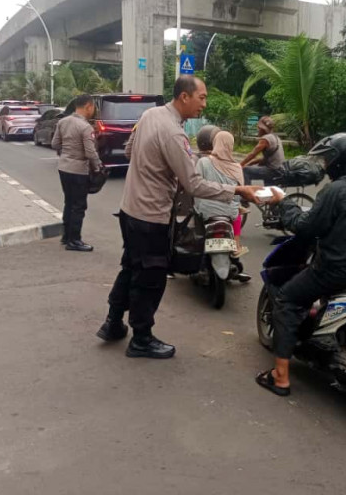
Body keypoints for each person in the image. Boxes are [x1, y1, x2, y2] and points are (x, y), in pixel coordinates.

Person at [96, 75, 262, 359]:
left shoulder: (149, 115)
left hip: (130, 209)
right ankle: (141, 338)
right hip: (151, 216)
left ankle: (113, 323)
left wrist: (151, 168)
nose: (204, 104)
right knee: (150, 277)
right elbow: (194, 184)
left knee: (130, 266)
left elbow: (128, 150)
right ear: (184, 97)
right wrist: (237, 190)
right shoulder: (174, 133)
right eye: (202, 97)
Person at [255, 133, 346, 397]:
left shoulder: (336, 190)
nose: (326, 164)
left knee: (286, 299)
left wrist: (284, 201)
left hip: (337, 270)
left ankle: (280, 377)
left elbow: (305, 228)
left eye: (329, 159)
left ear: (339, 162)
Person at [51, 94, 103, 252]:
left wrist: (66, 153)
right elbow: (90, 152)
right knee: (79, 205)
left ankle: (66, 236)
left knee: (69, 202)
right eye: (93, 107)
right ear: (88, 106)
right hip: (79, 171)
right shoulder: (85, 127)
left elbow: (55, 144)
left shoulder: (63, 121)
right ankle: (74, 241)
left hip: (64, 168)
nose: (93, 110)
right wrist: (98, 167)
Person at [194, 130, 248, 257]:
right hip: (230, 212)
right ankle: (236, 245)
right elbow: (238, 194)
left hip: (205, 211)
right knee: (237, 212)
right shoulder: (237, 167)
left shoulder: (203, 162)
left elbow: (196, 186)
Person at [241, 116, 285, 185]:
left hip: (272, 171)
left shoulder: (266, 139)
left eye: (259, 128)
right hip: (279, 170)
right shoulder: (275, 137)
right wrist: (250, 163)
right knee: (268, 192)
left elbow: (253, 154)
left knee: (245, 171)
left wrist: (240, 164)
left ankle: (247, 194)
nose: (258, 130)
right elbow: (266, 158)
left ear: (263, 129)